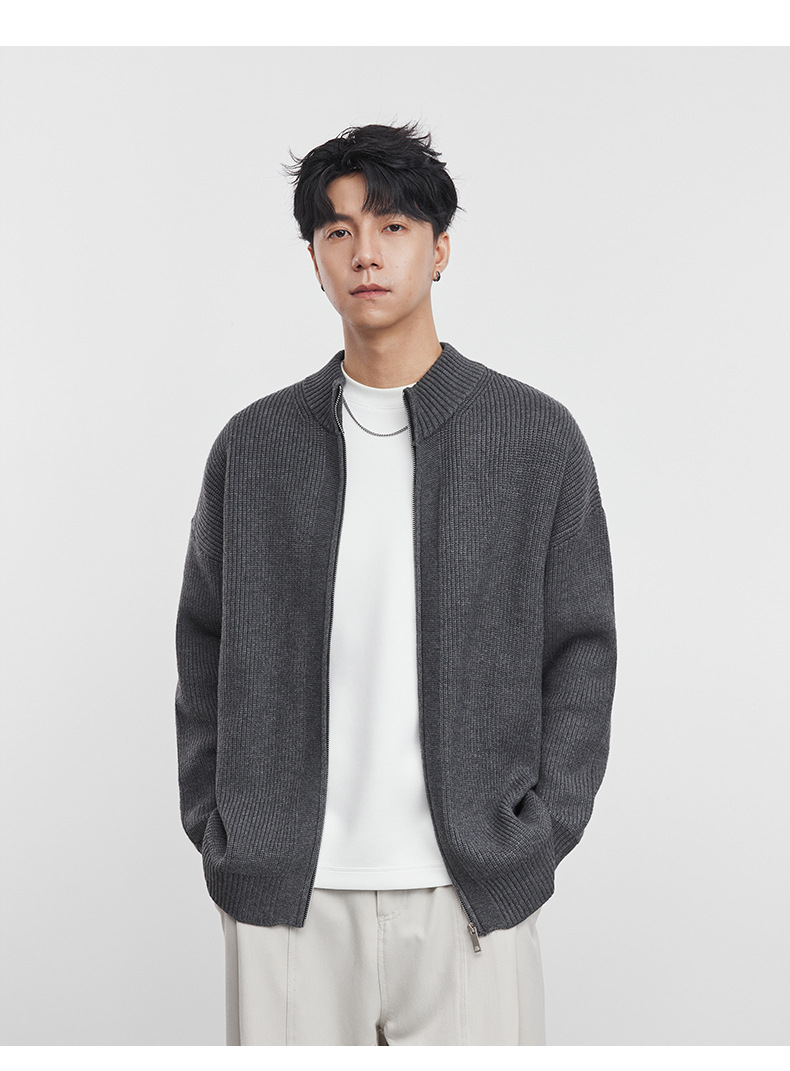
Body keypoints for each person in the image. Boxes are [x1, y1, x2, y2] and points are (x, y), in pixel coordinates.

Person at [174, 121, 617, 1046]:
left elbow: (581, 648)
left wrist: (536, 834)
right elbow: (203, 640)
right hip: (288, 896)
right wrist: (225, 827)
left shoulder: (534, 438)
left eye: (393, 226)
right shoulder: (254, 447)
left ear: (440, 248)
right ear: (315, 258)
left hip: (471, 892)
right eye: (338, 231)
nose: (365, 254)